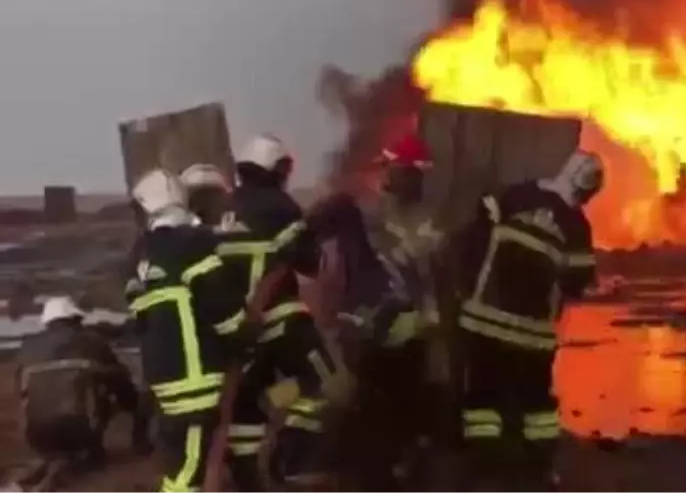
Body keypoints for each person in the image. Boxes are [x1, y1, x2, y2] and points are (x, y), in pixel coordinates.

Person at [457, 150, 603, 491]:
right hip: (532, 335)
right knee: (537, 405)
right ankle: (537, 468)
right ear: (588, 191)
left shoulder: (518, 193)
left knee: (482, 398)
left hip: (483, 322)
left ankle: (483, 465)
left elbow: (482, 217)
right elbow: (577, 282)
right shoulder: (576, 224)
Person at [317, 133, 450, 491]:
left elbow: (432, 284)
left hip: (398, 342)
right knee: (375, 421)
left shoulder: (415, 223)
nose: (387, 175)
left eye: (393, 168)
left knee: (394, 419)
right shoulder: (373, 215)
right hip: (377, 338)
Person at [216, 134, 338, 490]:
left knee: (245, 409)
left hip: (236, 330)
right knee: (324, 383)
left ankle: (246, 476)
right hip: (280, 321)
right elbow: (311, 264)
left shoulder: (222, 208)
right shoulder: (281, 207)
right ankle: (291, 451)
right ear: (276, 169)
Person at [127, 169, 251, 493]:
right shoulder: (193, 246)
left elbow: (140, 319)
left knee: (181, 463)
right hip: (195, 384)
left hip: (165, 384)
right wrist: (243, 337)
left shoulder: (141, 257)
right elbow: (223, 310)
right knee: (188, 475)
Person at [15, 296, 150, 484]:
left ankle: (54, 457)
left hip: (35, 433)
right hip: (81, 429)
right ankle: (95, 452)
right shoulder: (92, 342)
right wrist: (133, 405)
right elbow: (121, 382)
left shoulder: (27, 346)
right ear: (74, 319)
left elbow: (21, 391)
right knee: (112, 384)